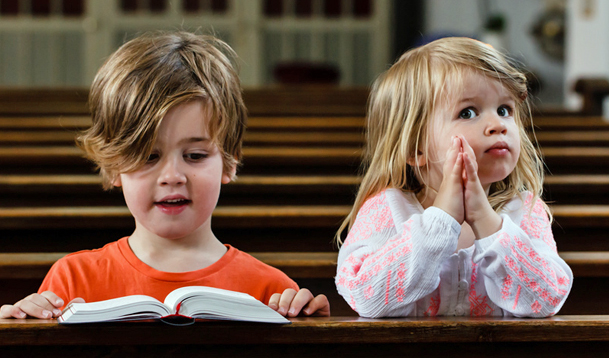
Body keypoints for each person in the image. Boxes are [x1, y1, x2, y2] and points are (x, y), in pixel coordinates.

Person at [0, 31, 329, 320]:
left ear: (229, 162)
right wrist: (21, 330)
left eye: (195, 156)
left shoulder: (273, 292)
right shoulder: (71, 282)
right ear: (115, 166)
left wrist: (312, 330)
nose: (172, 176)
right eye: (148, 156)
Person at [334, 37, 572, 318]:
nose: (498, 125)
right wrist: (441, 219)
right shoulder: (387, 209)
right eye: (468, 112)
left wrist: (486, 221)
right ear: (415, 148)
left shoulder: (524, 210)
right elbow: (365, 297)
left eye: (504, 110)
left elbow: (545, 300)